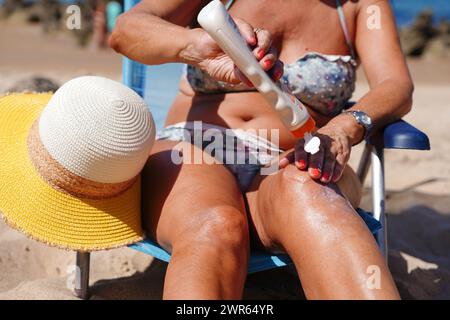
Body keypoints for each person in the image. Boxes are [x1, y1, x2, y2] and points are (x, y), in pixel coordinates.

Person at [110, 0, 413, 299]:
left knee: (311, 193)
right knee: (215, 225)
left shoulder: (359, 6)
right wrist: (194, 44)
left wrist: (344, 126)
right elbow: (126, 31)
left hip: (292, 159)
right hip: (194, 148)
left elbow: (395, 84)